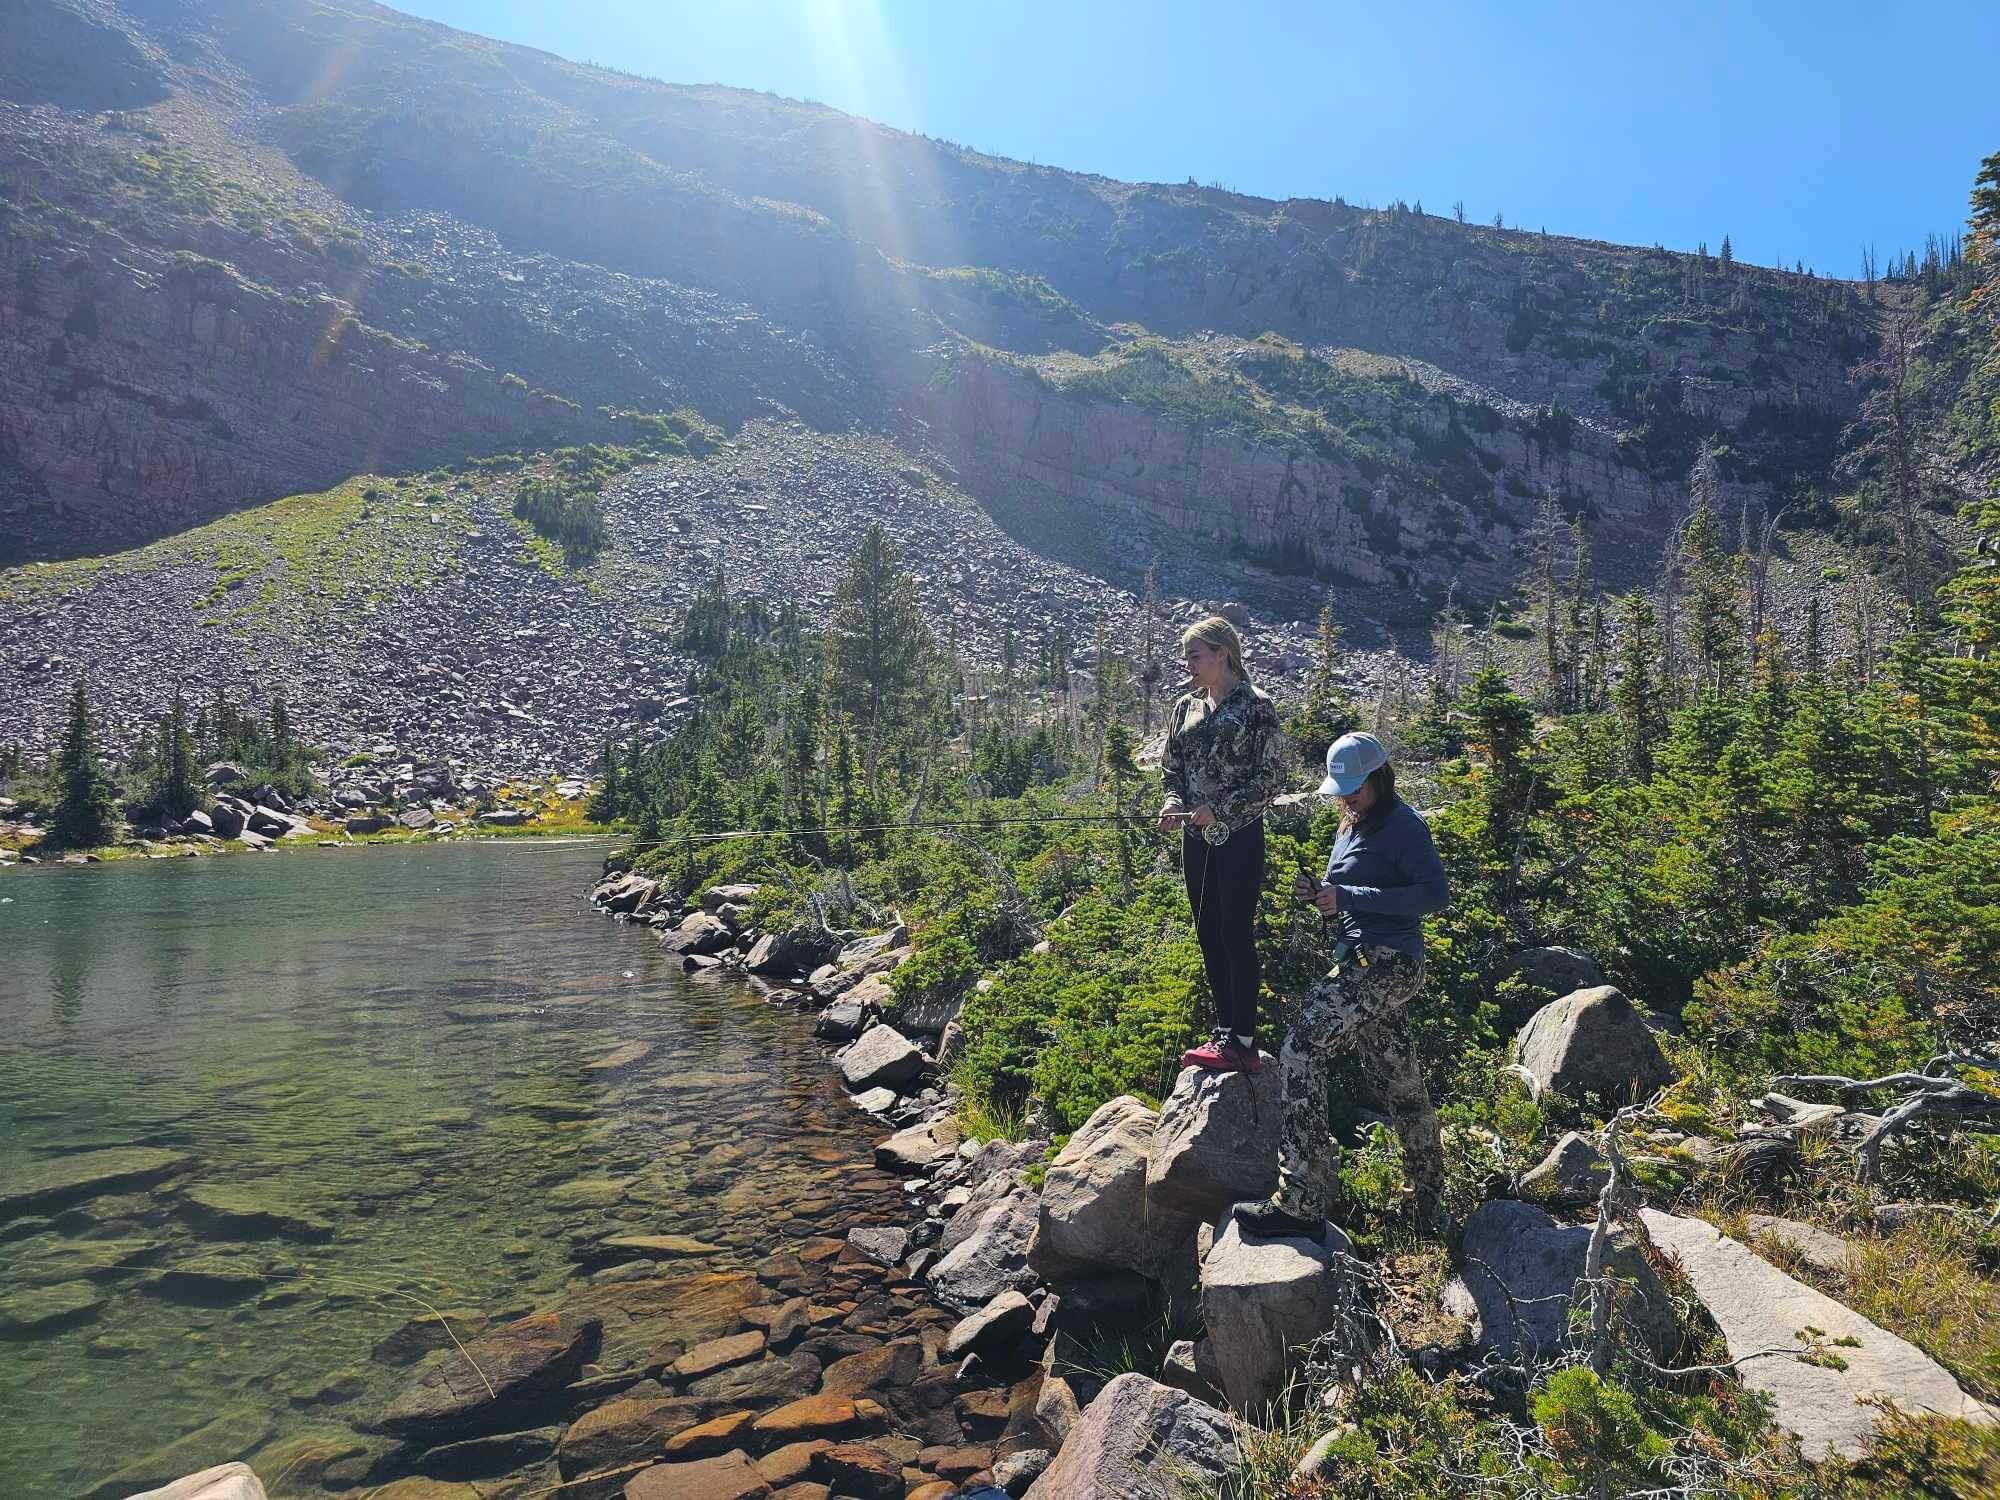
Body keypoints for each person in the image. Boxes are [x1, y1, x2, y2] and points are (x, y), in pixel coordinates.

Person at [1236, 730, 1452, 1241]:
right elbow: (1353, 893)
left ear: (1380, 778)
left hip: (1388, 965)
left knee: (1300, 1050)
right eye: (1342, 789)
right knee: (1400, 1080)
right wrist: (1323, 895)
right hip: (1365, 962)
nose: (1346, 796)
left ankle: (1301, 1200)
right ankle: (1429, 1204)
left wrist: (1349, 896)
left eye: (1354, 787)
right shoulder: (1351, 823)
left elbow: (1434, 895)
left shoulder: (1403, 825)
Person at [1157, 616, 1291, 1074]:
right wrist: (1173, 803)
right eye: (1186, 657)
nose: (1188, 665)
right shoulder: (1185, 707)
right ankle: (1224, 1032)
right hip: (1195, 840)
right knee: (1208, 932)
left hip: (1239, 838)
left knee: (1235, 931)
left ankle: (1244, 1042)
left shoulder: (1257, 707)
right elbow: (1171, 768)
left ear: (1222, 654)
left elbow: (1272, 777)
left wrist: (1221, 809)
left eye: (1195, 656)